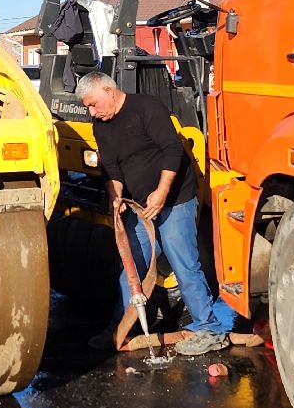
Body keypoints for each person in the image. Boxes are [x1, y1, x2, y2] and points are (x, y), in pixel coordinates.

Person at [76, 71, 240, 356]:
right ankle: (123, 329)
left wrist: (162, 191)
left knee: (184, 264)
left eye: (93, 104)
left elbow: (173, 151)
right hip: (141, 207)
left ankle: (210, 330)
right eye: (87, 107)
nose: (92, 112)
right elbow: (112, 170)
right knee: (131, 266)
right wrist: (116, 197)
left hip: (175, 200)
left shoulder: (147, 108)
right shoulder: (101, 126)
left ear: (108, 91)